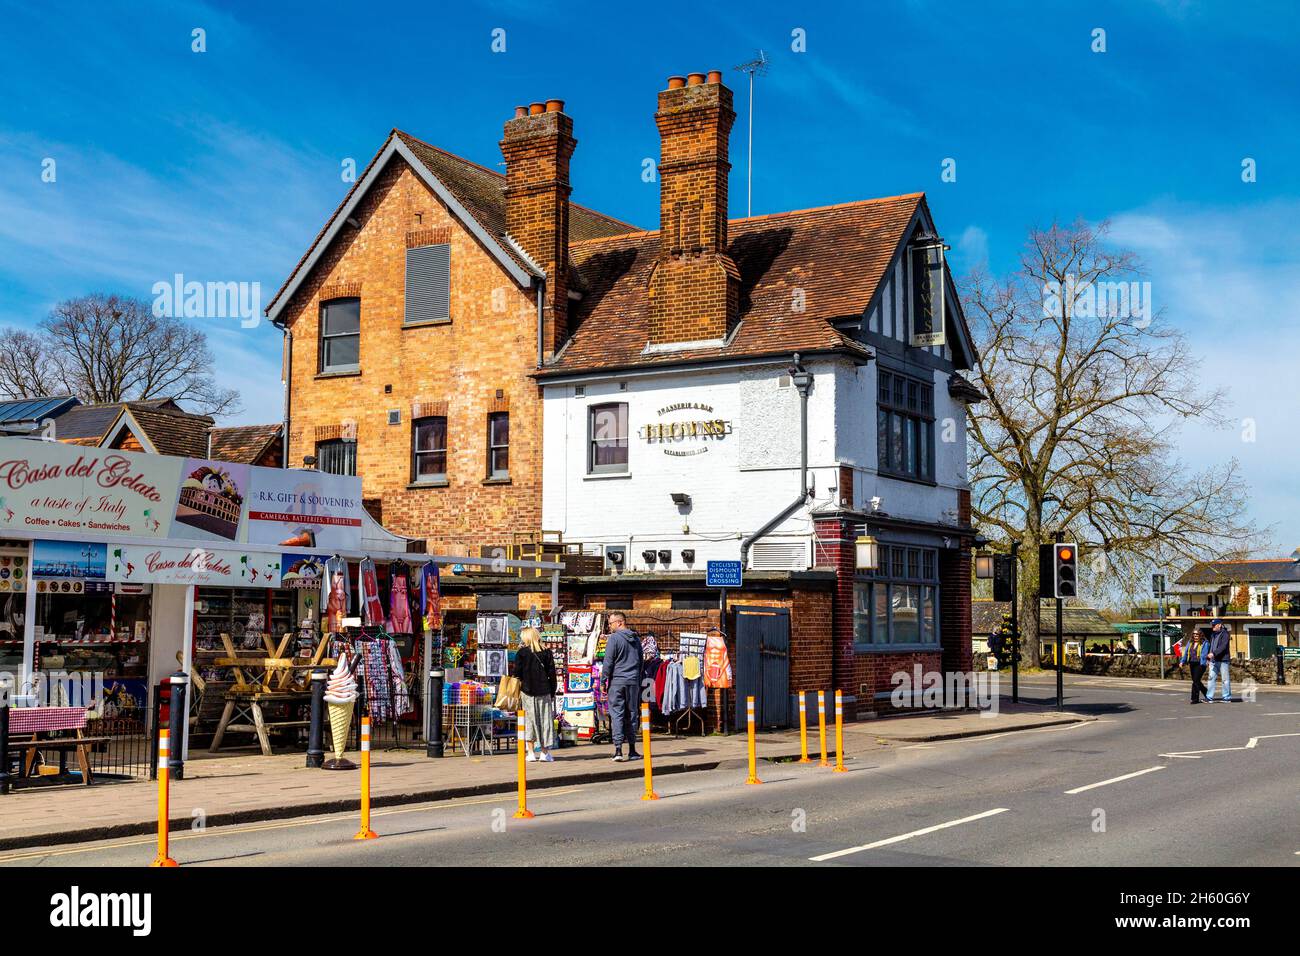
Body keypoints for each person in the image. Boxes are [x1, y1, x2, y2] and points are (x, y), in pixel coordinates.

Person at [511, 626, 558, 761]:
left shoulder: (521, 653)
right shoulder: (547, 652)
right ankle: (544, 752)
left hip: (527, 691)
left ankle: (530, 753)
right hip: (544, 691)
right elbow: (552, 675)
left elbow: (517, 674)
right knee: (545, 721)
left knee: (529, 721)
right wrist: (552, 691)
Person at [601, 611, 642, 762]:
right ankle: (632, 750)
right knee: (631, 714)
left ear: (619, 622)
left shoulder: (614, 639)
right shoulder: (636, 639)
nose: (610, 626)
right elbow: (641, 661)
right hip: (633, 681)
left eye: (611, 623)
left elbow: (608, 662)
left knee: (617, 714)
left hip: (617, 681)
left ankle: (618, 750)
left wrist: (603, 680)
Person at [1206, 619, 1233, 702]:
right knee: (1211, 678)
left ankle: (1226, 698)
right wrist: (1209, 658)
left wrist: (1213, 653)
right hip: (1213, 660)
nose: (1212, 626)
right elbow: (1212, 646)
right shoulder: (1213, 634)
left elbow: (1223, 646)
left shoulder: (1225, 634)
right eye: (1212, 625)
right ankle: (1209, 697)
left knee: (1225, 680)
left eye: (1214, 625)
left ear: (1220, 625)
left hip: (1223, 660)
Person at [1187, 628, 1210, 704]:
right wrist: (1182, 661)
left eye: (1197, 634)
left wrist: (1206, 662)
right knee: (1196, 681)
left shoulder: (1205, 643)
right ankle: (1207, 693)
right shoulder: (1190, 643)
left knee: (1196, 681)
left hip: (1200, 664)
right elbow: (1186, 653)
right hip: (1192, 663)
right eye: (1194, 634)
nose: (1195, 636)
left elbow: (1204, 654)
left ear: (1200, 635)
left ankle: (1194, 699)